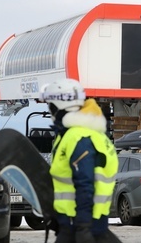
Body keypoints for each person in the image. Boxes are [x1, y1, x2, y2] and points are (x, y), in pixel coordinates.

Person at [40, 78, 122, 243]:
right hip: (80, 222)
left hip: (80, 224)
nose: (50, 111)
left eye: (50, 105)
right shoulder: (88, 134)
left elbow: (85, 184)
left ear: (59, 106)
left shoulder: (78, 137)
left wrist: (83, 227)